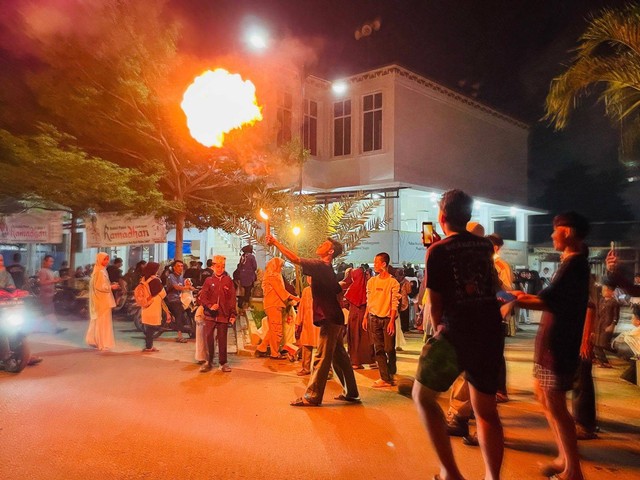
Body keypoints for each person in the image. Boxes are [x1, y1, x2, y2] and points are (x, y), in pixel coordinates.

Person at [412, 190, 504, 480]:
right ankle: (492, 476)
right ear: (468, 216)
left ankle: (451, 472)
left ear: (442, 217)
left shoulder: (437, 251)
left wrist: (438, 331)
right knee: (486, 411)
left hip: (457, 333)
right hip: (489, 333)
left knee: (423, 396)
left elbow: (436, 303)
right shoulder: (484, 246)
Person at [514, 211, 590, 480]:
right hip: (550, 343)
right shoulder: (571, 263)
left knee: (556, 405)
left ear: (567, 232)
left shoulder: (574, 265)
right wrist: (518, 296)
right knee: (544, 397)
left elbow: (545, 301)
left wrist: (513, 298)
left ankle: (573, 470)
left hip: (558, 345)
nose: (551, 235)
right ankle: (563, 458)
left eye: (555, 230)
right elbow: (547, 299)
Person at [267, 234, 360, 406]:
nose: (320, 244)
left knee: (322, 358)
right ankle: (352, 393)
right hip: (334, 317)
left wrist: (275, 242)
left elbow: (294, 258)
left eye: (324, 244)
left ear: (330, 251)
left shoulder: (320, 265)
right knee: (339, 357)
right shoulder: (328, 269)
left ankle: (312, 396)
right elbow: (336, 289)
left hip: (329, 318)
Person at [364, 252, 400, 388]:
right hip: (374, 318)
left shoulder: (393, 282)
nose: (374, 265)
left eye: (376, 262)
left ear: (384, 264)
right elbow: (369, 300)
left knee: (389, 348)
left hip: (387, 319)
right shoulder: (372, 282)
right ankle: (384, 378)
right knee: (378, 348)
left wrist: (391, 321)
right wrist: (365, 317)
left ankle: (391, 372)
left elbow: (394, 302)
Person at [256, 257, 300, 359]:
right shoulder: (273, 276)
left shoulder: (273, 275)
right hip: (274, 305)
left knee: (272, 329)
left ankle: (262, 348)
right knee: (277, 330)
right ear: (275, 266)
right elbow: (281, 292)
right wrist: (296, 299)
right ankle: (274, 353)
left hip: (273, 305)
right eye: (280, 266)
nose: (281, 268)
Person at [198, 255, 236, 372]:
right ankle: (208, 361)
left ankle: (223, 363)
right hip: (210, 315)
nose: (220, 269)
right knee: (208, 337)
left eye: (223, 266)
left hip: (223, 315)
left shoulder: (228, 281)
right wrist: (210, 306)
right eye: (218, 266)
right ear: (213, 266)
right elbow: (203, 297)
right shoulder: (208, 281)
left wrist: (233, 314)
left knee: (222, 339)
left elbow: (232, 298)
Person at [341, 264, 374, 369]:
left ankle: (355, 361)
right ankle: (371, 360)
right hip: (365, 315)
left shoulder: (351, 288)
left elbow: (344, 303)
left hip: (353, 316)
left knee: (354, 338)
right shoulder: (368, 286)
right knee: (366, 339)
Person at [85, 252, 118, 351]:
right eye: (104, 259)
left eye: (107, 259)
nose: (106, 261)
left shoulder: (101, 270)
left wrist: (110, 285)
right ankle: (101, 343)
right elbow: (99, 286)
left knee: (101, 322)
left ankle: (95, 341)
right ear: (100, 259)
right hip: (102, 300)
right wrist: (111, 287)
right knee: (102, 322)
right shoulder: (99, 271)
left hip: (103, 299)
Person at [591, 278, 620, 368]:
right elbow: (598, 314)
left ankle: (605, 361)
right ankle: (602, 361)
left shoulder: (614, 302)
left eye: (605, 290)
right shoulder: (601, 301)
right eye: (603, 290)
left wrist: (612, 325)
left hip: (607, 326)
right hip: (599, 325)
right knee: (596, 344)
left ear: (611, 292)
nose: (603, 292)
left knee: (602, 344)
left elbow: (616, 316)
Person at [295, 276, 320, 376]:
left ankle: (324, 371)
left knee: (321, 347)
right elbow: (301, 307)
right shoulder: (306, 291)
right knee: (306, 344)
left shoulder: (324, 290)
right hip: (307, 322)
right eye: (309, 277)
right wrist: (298, 322)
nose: (310, 279)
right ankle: (305, 368)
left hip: (320, 322)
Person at [139, 262, 166, 353]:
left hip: (146, 304)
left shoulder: (143, 279)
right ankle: (149, 346)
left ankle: (149, 345)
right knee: (152, 327)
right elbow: (162, 293)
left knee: (148, 327)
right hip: (153, 304)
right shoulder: (155, 280)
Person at [165, 259, 194, 343]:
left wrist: (192, 287)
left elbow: (186, 285)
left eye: (181, 266)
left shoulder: (182, 277)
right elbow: (176, 287)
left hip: (181, 298)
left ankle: (192, 330)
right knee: (179, 312)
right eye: (178, 266)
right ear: (174, 267)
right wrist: (186, 287)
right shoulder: (171, 276)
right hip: (172, 299)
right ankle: (180, 335)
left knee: (190, 309)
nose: (180, 268)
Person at [37, 255, 66, 334]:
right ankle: (56, 327)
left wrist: (58, 280)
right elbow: (42, 282)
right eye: (50, 261)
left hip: (50, 294)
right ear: (45, 261)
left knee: (45, 313)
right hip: (45, 295)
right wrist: (54, 281)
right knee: (50, 312)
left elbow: (52, 281)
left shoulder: (50, 271)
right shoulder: (43, 271)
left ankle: (36, 328)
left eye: (52, 261)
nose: (52, 263)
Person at [395, 268, 412, 333]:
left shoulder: (406, 282)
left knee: (404, 315)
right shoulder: (405, 281)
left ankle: (404, 328)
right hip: (399, 299)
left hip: (403, 300)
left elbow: (408, 291)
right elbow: (409, 291)